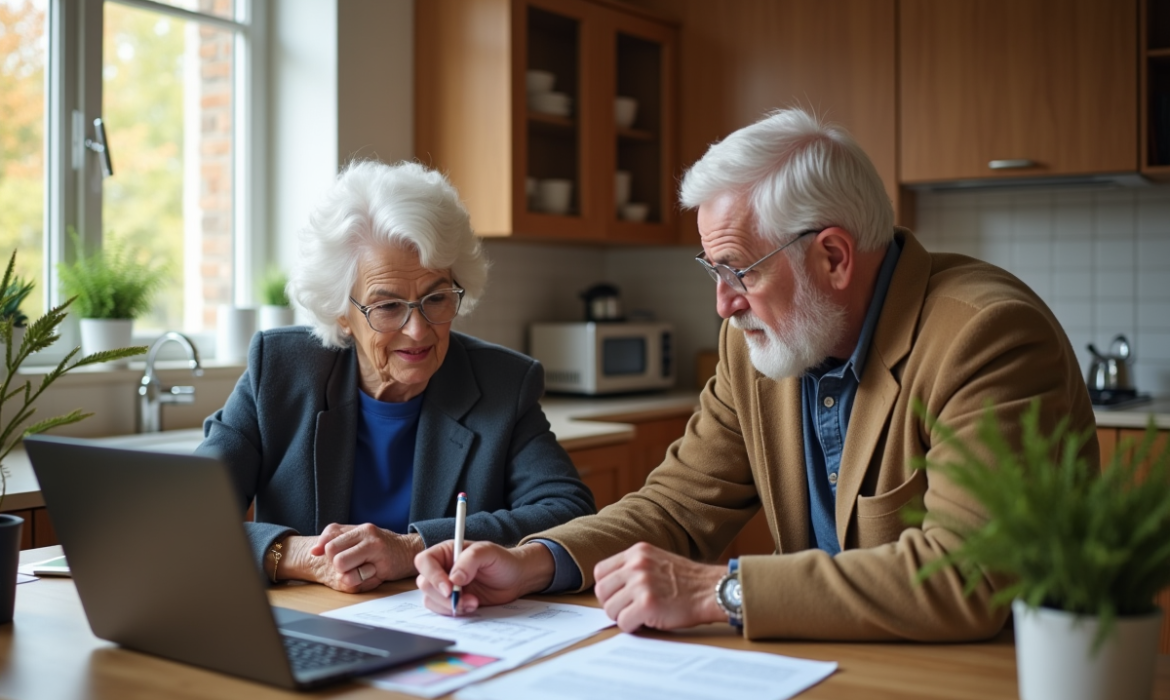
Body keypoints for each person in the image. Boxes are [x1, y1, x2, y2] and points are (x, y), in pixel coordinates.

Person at [413, 108, 1098, 641]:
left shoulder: (985, 335)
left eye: (739, 270)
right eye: (714, 271)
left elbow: (968, 575)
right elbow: (676, 507)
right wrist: (535, 562)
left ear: (833, 257)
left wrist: (719, 591)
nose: (723, 303)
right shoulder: (758, 347)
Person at [196, 160, 595, 594]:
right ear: (341, 313)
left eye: (436, 298)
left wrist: (413, 548)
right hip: (309, 625)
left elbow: (568, 511)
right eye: (387, 307)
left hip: (443, 625)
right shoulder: (280, 370)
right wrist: (293, 555)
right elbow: (185, 512)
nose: (418, 330)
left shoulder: (503, 383)